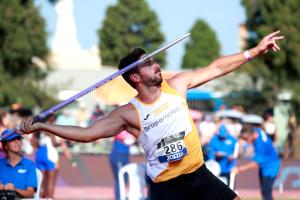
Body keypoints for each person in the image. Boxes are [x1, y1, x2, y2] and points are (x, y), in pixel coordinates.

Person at [20, 30, 283, 200]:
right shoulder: (129, 113)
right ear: (135, 77)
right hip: (168, 188)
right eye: (149, 63)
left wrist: (254, 52)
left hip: (199, 175)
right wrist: (43, 127)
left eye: (153, 60)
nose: (156, 64)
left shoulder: (177, 86)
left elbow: (216, 68)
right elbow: (88, 134)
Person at [232, 124, 280, 200]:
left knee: (266, 191)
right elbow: (248, 129)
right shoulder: (256, 131)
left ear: (251, 135)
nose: (246, 141)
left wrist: (239, 169)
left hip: (271, 167)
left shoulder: (260, 144)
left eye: (246, 138)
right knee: (264, 191)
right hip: (265, 165)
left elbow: (255, 164)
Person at [0, 129, 37, 198]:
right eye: (12, 140)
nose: (17, 142)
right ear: (5, 145)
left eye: (18, 139)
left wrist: (14, 190)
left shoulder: (29, 164)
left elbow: (30, 193)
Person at [109, 130, 135, 200]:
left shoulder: (130, 130)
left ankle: (123, 196)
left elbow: (131, 140)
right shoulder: (119, 130)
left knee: (126, 177)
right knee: (119, 178)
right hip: (117, 155)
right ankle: (119, 198)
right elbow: (127, 139)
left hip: (126, 156)